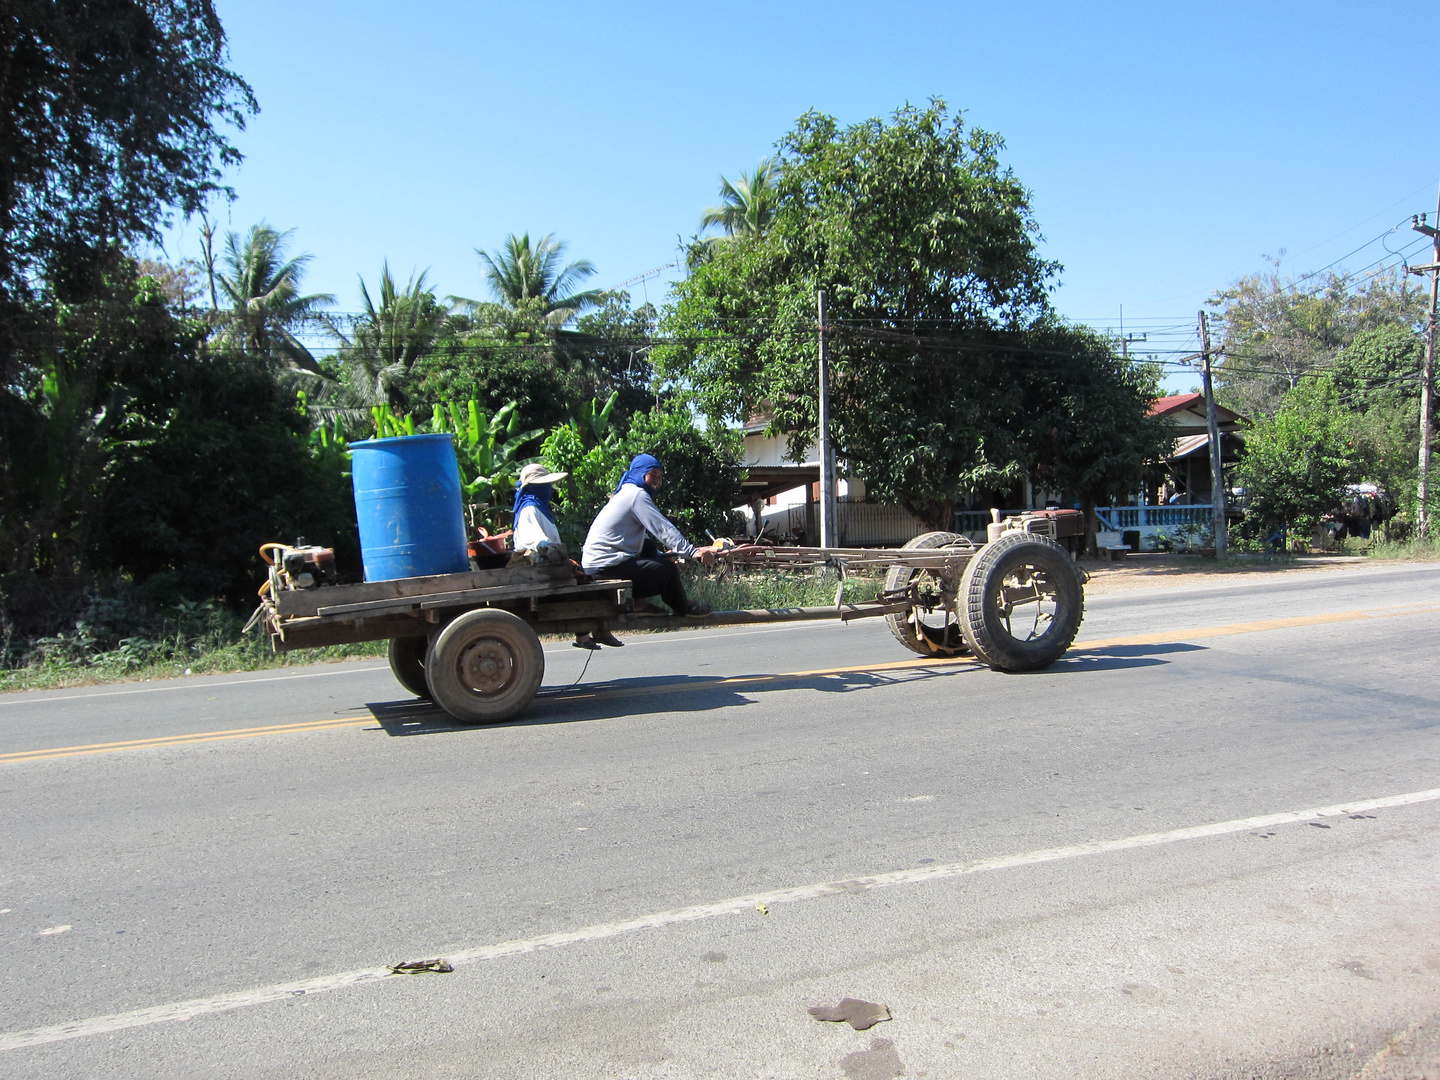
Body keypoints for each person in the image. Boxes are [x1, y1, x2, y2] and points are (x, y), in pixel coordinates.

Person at [581, 453, 721, 618]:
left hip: (600, 564)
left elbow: (642, 541)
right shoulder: (637, 495)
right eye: (653, 474)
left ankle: (640, 605)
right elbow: (663, 528)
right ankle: (684, 607)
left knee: (650, 548)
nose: (657, 480)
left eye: (660, 476)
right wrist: (692, 552)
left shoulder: (626, 494)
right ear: (640, 473)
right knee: (667, 570)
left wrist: (664, 556)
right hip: (604, 567)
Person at [512, 462, 623, 651]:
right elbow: (538, 542)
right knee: (585, 587)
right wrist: (552, 551)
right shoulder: (530, 509)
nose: (548, 489)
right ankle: (588, 633)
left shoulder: (540, 508)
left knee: (590, 582)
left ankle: (593, 631)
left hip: (548, 566)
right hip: (538, 569)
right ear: (535, 487)